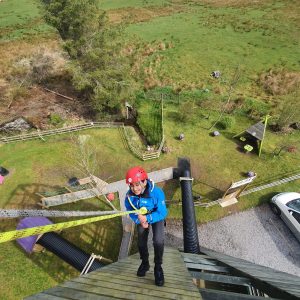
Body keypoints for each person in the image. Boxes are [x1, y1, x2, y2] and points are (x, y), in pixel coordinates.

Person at [125, 166, 168, 286]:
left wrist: (148, 218)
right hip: (141, 217)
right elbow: (130, 211)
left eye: (137, 184)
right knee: (141, 243)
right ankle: (145, 263)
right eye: (132, 186)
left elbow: (163, 212)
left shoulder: (157, 192)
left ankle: (158, 267)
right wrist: (139, 220)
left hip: (156, 216)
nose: (135, 188)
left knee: (158, 241)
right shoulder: (130, 197)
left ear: (144, 181)